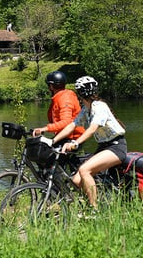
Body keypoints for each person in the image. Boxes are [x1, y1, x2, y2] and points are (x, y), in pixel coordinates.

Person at [51, 76, 127, 209]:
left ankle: (94, 209)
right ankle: (91, 203)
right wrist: (53, 141)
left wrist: (75, 143)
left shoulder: (100, 107)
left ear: (80, 94)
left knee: (84, 170)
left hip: (116, 147)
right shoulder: (87, 109)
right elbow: (72, 125)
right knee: (75, 181)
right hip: (103, 147)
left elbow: (92, 129)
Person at [32, 71, 84, 141]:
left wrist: (45, 128)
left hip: (73, 138)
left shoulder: (65, 99)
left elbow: (66, 121)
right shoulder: (59, 97)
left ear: (51, 86)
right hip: (64, 136)